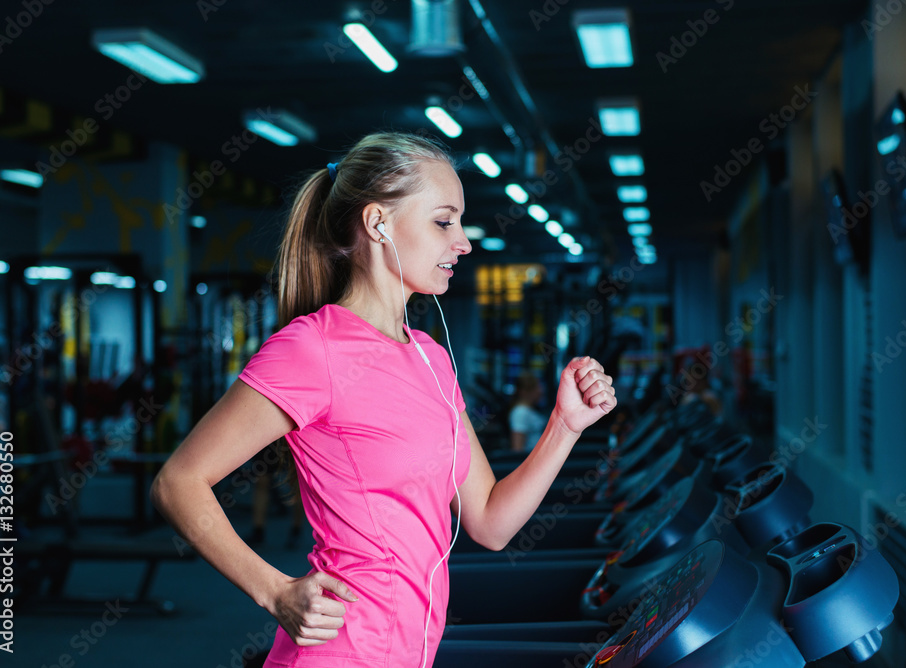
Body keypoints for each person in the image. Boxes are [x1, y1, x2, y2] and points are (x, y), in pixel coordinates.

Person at [150, 132, 616, 668]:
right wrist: (274, 591)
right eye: (444, 221)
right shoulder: (312, 348)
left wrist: (564, 425)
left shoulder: (430, 357)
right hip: (342, 653)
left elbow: (490, 521)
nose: (463, 242)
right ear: (378, 224)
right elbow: (178, 482)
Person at [508, 372, 546, 452]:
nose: (541, 391)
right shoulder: (520, 413)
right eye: (537, 387)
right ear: (526, 391)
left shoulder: (529, 410)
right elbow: (517, 448)